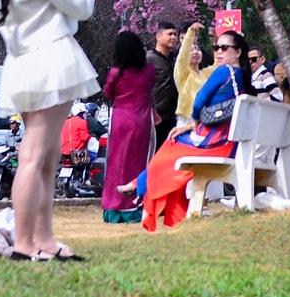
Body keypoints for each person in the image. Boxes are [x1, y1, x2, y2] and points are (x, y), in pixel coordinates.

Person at [0, 0, 98, 260]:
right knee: (36, 155)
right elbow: (82, 5)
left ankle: (44, 240)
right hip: (52, 57)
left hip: (21, 61)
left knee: (44, 156)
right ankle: (25, 243)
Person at [141, 30, 248, 230]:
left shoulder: (221, 72)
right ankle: (140, 185)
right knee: (172, 146)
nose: (219, 52)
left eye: (224, 48)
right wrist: (190, 35)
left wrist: (195, 122)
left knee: (170, 146)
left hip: (215, 140)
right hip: (227, 140)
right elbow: (183, 60)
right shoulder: (239, 74)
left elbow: (199, 103)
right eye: (216, 48)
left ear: (238, 52)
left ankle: (141, 186)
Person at [102, 31, 155, 223]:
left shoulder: (116, 73)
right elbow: (150, 88)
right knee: (138, 163)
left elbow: (109, 93)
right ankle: (135, 205)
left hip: (120, 121)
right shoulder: (149, 70)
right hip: (141, 121)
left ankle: (112, 207)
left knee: (116, 164)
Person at [147, 22, 180, 149]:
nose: (173, 37)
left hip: (174, 116)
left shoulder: (175, 59)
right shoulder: (149, 59)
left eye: (175, 34)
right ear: (158, 36)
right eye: (169, 34)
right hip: (157, 117)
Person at [172, 22, 208, 130]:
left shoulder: (204, 73)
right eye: (191, 50)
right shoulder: (182, 72)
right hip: (187, 119)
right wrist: (191, 33)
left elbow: (218, 64)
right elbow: (183, 56)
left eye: (197, 49)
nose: (195, 52)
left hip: (204, 117)